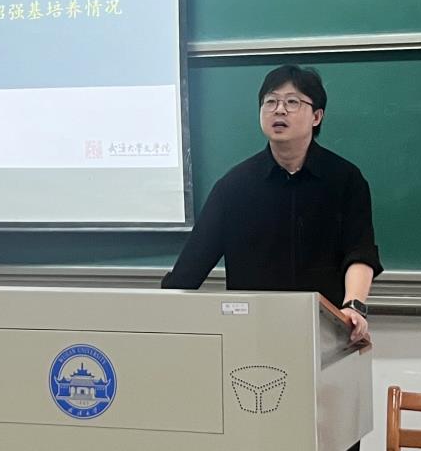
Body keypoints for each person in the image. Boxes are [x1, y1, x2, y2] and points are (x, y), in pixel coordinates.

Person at [162, 65, 382, 449]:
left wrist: (354, 306)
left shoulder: (345, 180)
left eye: (292, 102)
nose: (279, 110)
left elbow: (360, 252)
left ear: (317, 116)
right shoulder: (234, 187)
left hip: (327, 345)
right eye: (270, 101)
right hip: (253, 349)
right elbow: (188, 272)